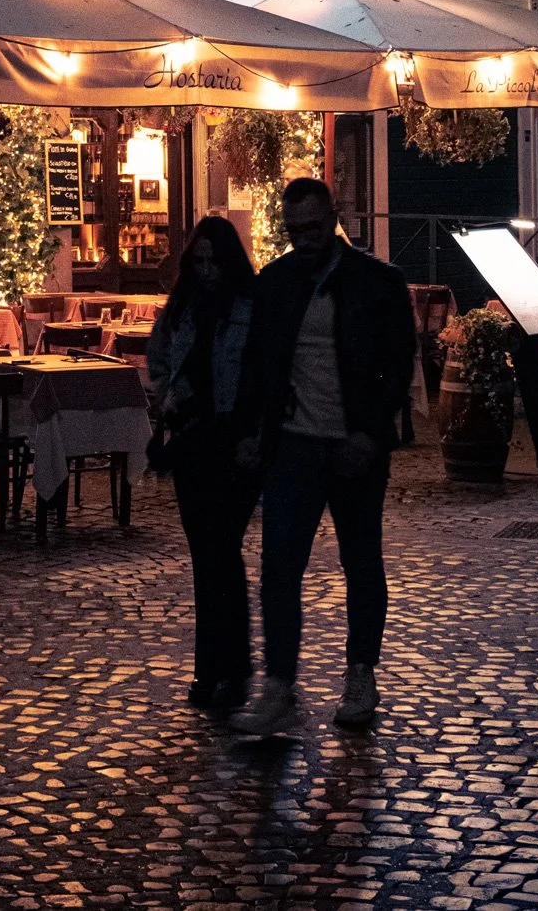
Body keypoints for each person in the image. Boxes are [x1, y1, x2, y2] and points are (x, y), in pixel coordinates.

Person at [231, 177, 417, 734]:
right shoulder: (278, 282)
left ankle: (360, 672)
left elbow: (398, 365)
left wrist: (371, 433)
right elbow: (261, 365)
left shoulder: (376, 282)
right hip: (294, 443)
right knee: (280, 566)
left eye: (313, 228)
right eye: (294, 231)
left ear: (333, 217)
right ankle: (280, 683)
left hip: (353, 442)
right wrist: (251, 431)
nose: (304, 239)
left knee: (361, 560)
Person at [147, 215, 261, 711]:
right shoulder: (183, 310)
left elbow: (262, 375)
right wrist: (172, 396)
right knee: (208, 559)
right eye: (200, 261)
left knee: (222, 552)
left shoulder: (250, 308)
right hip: (193, 442)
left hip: (233, 444)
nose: (209, 270)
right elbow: (159, 360)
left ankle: (226, 671)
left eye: (216, 261)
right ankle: (215, 670)